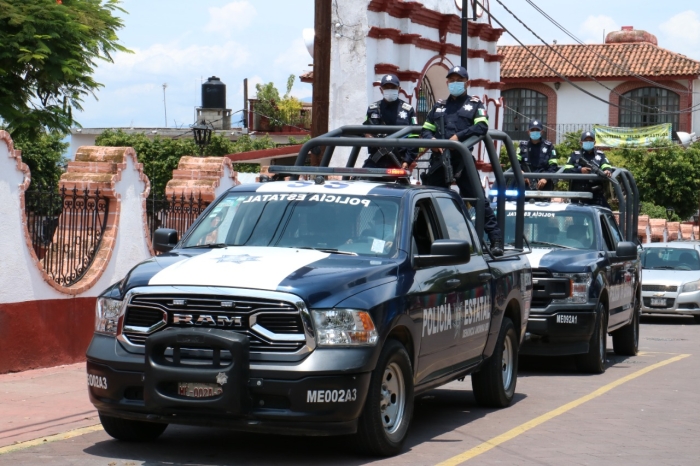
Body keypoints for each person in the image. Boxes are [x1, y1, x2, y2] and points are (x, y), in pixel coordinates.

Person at [419, 65, 503, 256]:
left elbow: (481, 127)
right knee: (429, 200)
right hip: (439, 159)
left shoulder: (474, 104)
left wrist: (458, 138)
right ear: (447, 82)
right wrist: (432, 141)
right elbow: (426, 128)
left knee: (478, 199)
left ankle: (495, 239)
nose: (455, 83)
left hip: (462, 159)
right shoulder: (439, 106)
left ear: (467, 83)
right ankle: (424, 240)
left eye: (459, 80)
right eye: (452, 80)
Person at [363, 73, 419, 169]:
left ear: (399, 89)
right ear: (381, 90)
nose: (389, 89)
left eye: (393, 87)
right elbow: (365, 129)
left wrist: (407, 160)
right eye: (386, 87)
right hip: (376, 160)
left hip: (399, 161)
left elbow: (414, 137)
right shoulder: (373, 109)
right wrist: (368, 136)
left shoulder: (408, 110)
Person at [564, 131, 613, 208]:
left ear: (594, 142)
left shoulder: (600, 155)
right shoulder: (575, 155)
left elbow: (606, 165)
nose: (588, 142)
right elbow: (566, 171)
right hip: (578, 194)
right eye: (586, 140)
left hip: (596, 194)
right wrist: (580, 171)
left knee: (606, 213)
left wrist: (607, 170)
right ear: (581, 142)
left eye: (590, 140)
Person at [517, 119, 558, 190]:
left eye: (537, 130)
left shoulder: (549, 146)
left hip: (544, 185)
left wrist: (545, 178)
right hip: (525, 184)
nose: (535, 132)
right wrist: (521, 173)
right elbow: (515, 163)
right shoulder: (522, 146)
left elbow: (553, 166)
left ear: (542, 132)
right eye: (532, 130)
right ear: (528, 132)